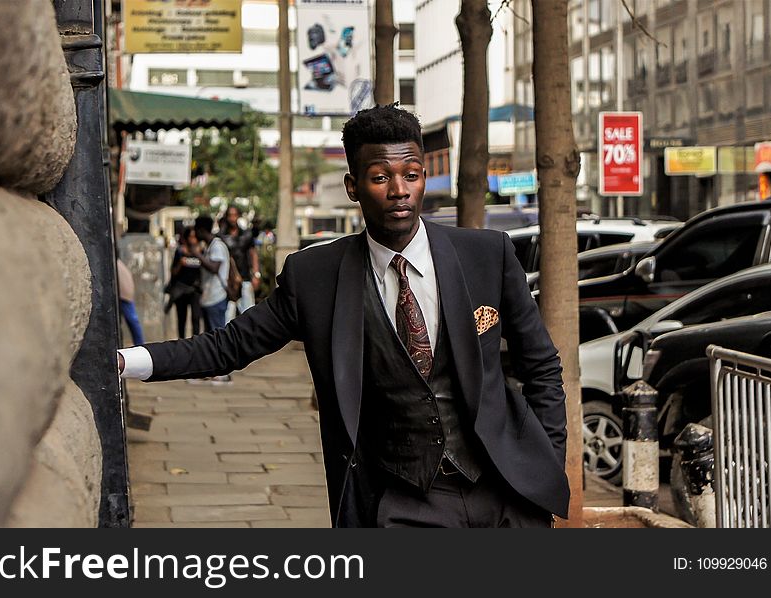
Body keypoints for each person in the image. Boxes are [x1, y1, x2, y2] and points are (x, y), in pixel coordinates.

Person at [119, 105, 568, 527]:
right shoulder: (316, 277)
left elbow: (541, 365)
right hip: (402, 502)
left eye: (411, 175)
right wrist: (124, 362)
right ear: (354, 186)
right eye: (380, 177)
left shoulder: (487, 255)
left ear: (424, 177)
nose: (399, 191)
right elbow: (228, 346)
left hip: (504, 493)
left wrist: (544, 463)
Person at [220, 205, 260, 320]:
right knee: (228, 319)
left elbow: (253, 253)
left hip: (245, 278)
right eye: (230, 215)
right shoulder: (222, 236)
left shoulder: (246, 235)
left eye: (234, 215)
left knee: (249, 316)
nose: (232, 218)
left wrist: (256, 274)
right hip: (228, 283)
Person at [167, 226, 202, 338]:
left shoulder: (201, 252)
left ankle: (195, 343)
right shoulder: (180, 251)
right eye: (191, 237)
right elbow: (173, 272)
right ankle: (181, 343)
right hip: (181, 290)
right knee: (182, 318)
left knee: (196, 318)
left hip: (195, 290)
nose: (193, 239)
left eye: (195, 237)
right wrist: (180, 264)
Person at [117, 258, 144, 346]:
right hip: (123, 294)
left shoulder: (115, 263)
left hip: (123, 294)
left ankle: (140, 345)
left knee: (132, 320)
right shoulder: (117, 263)